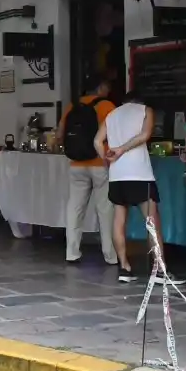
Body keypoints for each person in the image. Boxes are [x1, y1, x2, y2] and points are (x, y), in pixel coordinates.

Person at [55, 77, 117, 265]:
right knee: (105, 209)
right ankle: (110, 255)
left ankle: (72, 252)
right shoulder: (107, 106)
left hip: (77, 164)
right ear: (101, 86)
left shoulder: (72, 107)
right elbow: (116, 133)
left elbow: (59, 136)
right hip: (100, 163)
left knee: (74, 208)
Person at [96, 91, 156, 283]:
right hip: (140, 173)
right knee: (152, 222)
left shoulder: (111, 114)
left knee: (119, 221)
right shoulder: (146, 110)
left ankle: (124, 267)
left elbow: (97, 141)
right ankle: (160, 270)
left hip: (117, 174)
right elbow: (145, 134)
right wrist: (122, 149)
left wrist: (107, 162)